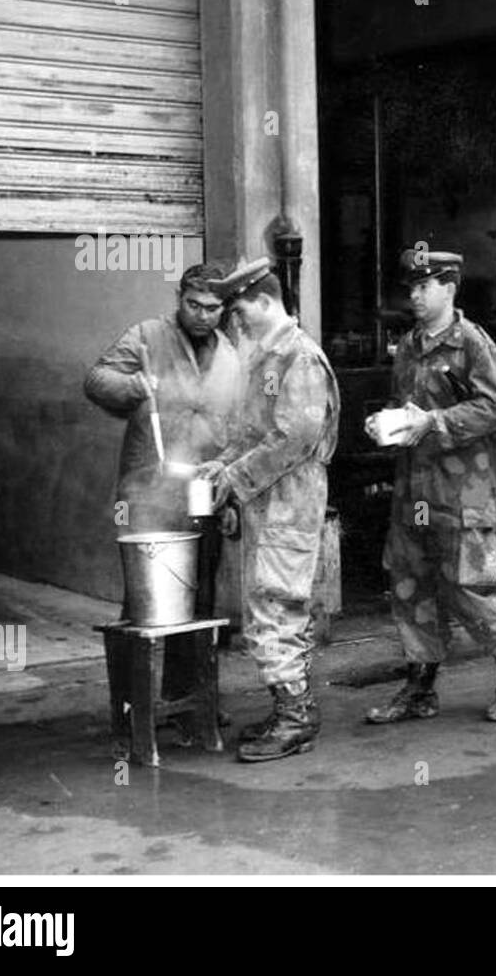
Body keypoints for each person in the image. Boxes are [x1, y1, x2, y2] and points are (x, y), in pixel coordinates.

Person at [364, 249, 496, 725]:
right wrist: (389, 425)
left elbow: (495, 408)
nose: (415, 296)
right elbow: (406, 406)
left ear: (450, 288)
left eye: (424, 287)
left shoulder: (473, 344)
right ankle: (419, 687)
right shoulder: (411, 345)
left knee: (471, 585)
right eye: (411, 288)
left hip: (467, 490)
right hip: (416, 488)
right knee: (410, 582)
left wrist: (433, 422)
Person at [198, 257, 341, 763]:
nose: (234, 321)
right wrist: (222, 465)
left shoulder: (297, 356)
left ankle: (296, 718)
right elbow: (252, 431)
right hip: (267, 502)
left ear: (262, 301)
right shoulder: (266, 355)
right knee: (265, 604)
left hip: (289, 503)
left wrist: (236, 477)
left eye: (239, 310)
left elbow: (295, 437)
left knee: (279, 606)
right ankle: (286, 708)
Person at [84, 263, 240, 714]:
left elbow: (236, 427)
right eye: (194, 304)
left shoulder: (230, 354)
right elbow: (96, 380)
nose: (203, 315)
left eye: (213, 307)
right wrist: (131, 384)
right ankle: (134, 703)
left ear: (224, 308)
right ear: (179, 297)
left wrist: (230, 495)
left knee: (200, 597)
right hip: (148, 490)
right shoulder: (147, 336)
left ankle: (185, 697)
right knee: (145, 601)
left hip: (202, 493)